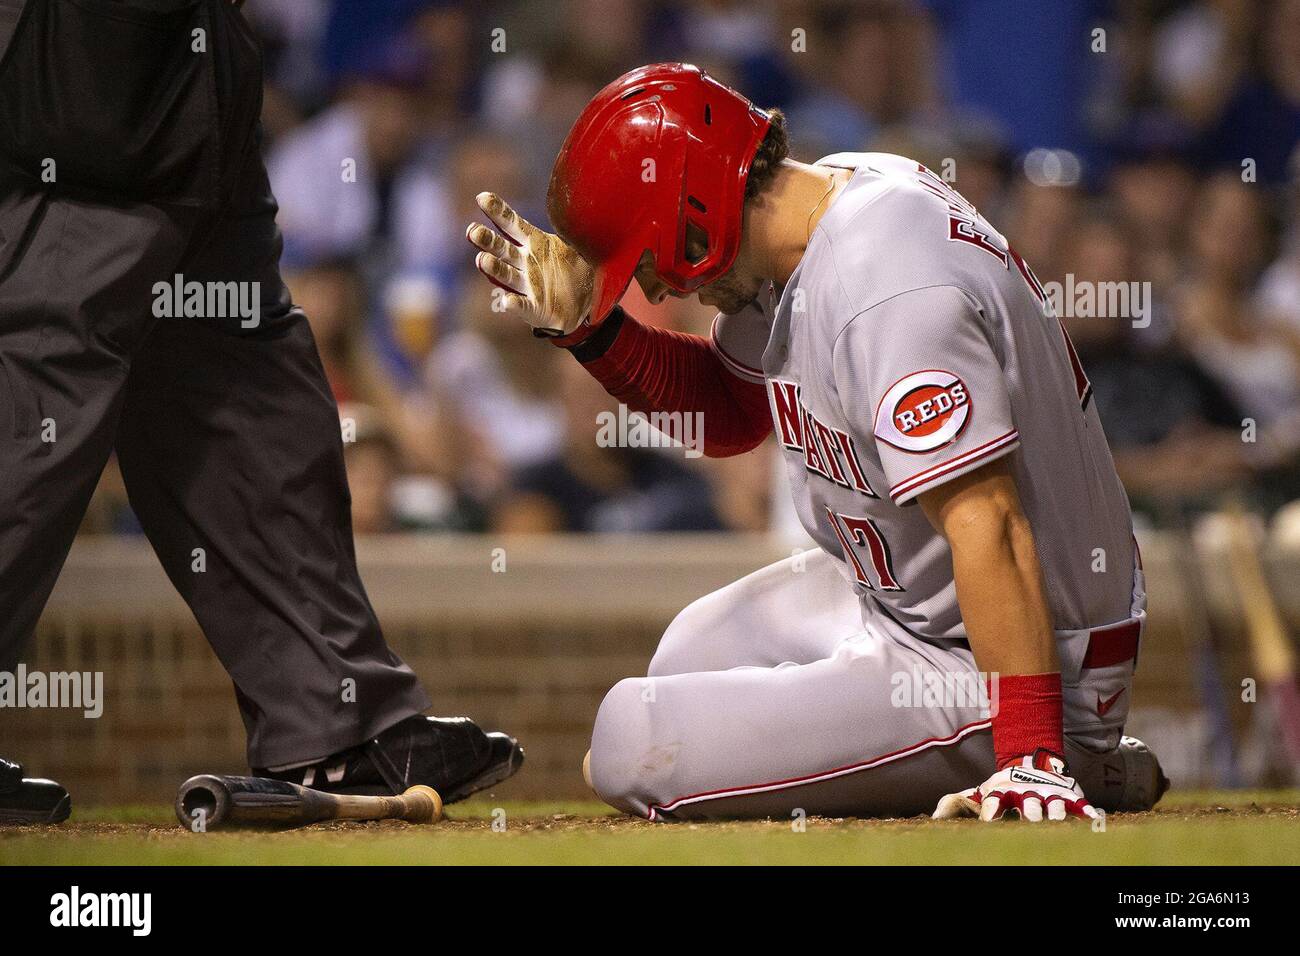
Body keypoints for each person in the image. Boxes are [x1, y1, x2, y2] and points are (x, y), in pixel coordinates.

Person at [467, 63, 1167, 822]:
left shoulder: (886, 278)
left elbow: (987, 520)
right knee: (683, 658)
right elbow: (732, 416)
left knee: (630, 742)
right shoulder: (820, 212)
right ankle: (1045, 751)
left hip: (1010, 647)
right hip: (908, 607)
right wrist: (594, 334)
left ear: (693, 216)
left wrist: (1031, 756)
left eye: (648, 260)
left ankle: (1063, 756)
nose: (659, 289)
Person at [0, 0, 520, 823]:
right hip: (79, 58)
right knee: (32, 403)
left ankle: (335, 728)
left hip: (199, 82)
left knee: (246, 396)